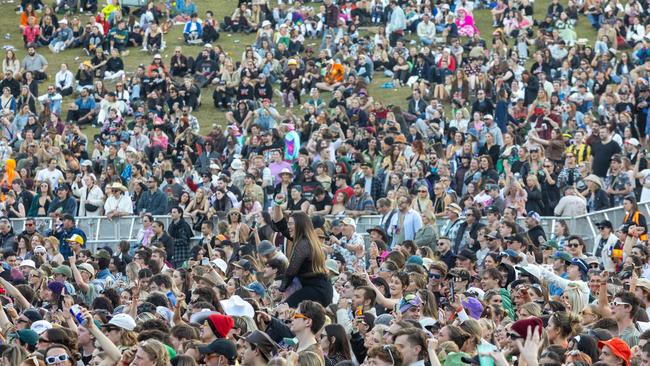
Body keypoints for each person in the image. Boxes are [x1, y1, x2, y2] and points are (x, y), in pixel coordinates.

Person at [271, 195, 332, 307]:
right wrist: (277, 204)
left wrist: (281, 289)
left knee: (285, 308)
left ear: (299, 225)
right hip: (315, 288)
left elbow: (291, 271)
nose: (288, 227)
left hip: (318, 290)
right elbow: (279, 223)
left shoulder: (304, 243)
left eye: (290, 224)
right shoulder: (301, 238)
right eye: (288, 223)